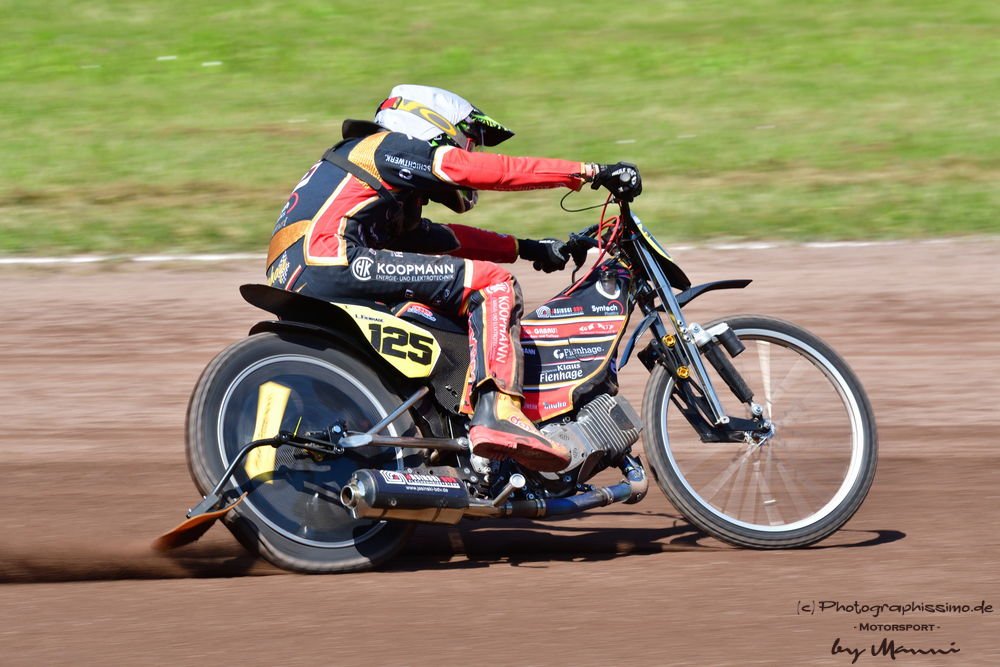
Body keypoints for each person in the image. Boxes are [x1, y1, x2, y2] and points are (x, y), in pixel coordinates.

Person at [266, 84, 641, 472]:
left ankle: (448, 433)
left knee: (448, 308)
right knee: (493, 283)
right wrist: (586, 171)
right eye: (469, 140)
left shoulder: (382, 184)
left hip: (304, 269)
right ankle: (499, 409)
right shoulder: (388, 146)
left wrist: (529, 248)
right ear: (433, 124)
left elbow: (443, 238)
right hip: (330, 259)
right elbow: (483, 172)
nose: (470, 151)